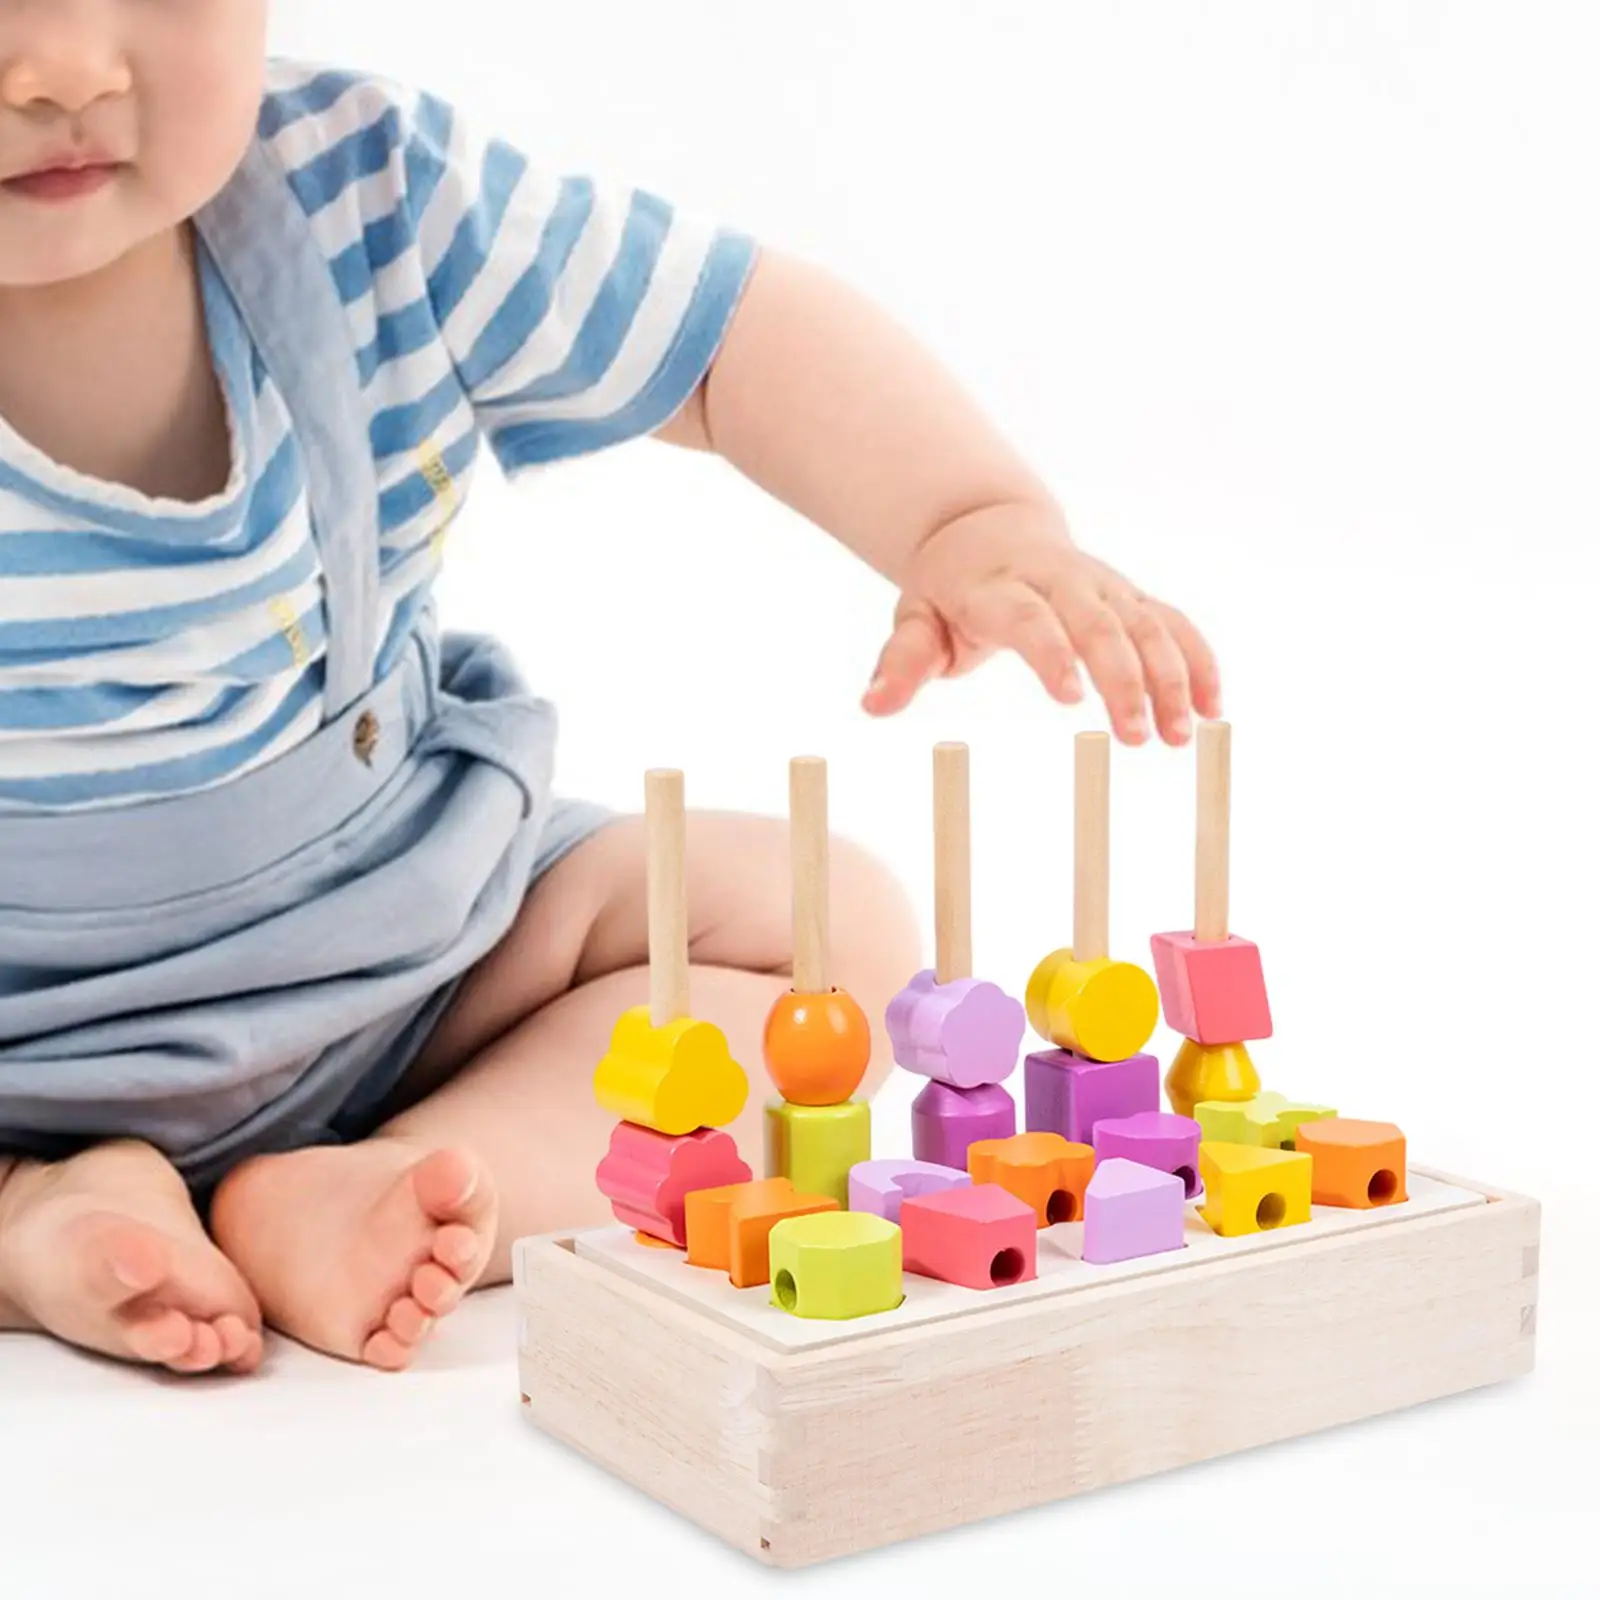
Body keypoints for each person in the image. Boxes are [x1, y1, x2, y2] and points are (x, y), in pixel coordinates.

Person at [0, 4, 1221, 1378]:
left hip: (403, 963)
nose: (60, 71)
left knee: (829, 942)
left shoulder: (367, 193)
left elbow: (729, 340)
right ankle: (34, 1214)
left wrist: (968, 522)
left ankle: (397, 1178)